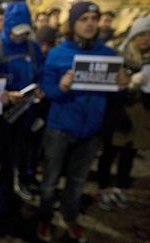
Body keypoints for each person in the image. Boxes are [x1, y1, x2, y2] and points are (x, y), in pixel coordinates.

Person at [36, 2, 130, 242]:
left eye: (93, 18)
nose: (90, 23)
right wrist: (61, 87)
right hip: (60, 127)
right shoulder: (58, 53)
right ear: (73, 23)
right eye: (84, 18)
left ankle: (70, 217)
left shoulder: (109, 55)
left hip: (91, 130)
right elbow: (46, 90)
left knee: (77, 182)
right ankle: (45, 217)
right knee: (50, 179)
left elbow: (113, 95)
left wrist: (121, 87)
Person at [0, 1, 44, 207]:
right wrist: (3, 95)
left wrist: (39, 88)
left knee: (10, 162)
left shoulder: (33, 48)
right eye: (16, 31)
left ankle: (5, 201)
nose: (20, 36)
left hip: (23, 116)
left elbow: (40, 72)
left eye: (24, 31)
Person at [97, 16, 150, 211]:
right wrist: (128, 86)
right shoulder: (119, 56)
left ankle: (120, 187)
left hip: (141, 117)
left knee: (129, 154)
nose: (145, 39)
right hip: (119, 116)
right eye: (141, 34)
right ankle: (104, 188)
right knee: (110, 153)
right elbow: (109, 89)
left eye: (149, 35)